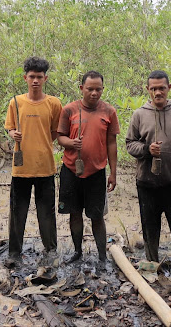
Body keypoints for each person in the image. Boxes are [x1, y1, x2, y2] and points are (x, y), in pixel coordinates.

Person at [126, 70, 171, 277]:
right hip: (147, 184)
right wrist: (147, 150)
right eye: (153, 89)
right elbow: (130, 145)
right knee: (150, 230)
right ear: (147, 90)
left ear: (169, 88)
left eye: (162, 88)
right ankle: (152, 268)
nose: (158, 92)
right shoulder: (139, 114)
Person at [4, 57, 62, 267]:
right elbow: (9, 127)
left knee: (46, 212)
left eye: (39, 77)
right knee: (17, 212)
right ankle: (14, 253)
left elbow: (56, 132)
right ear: (25, 78)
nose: (35, 80)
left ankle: (51, 250)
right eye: (32, 77)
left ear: (45, 78)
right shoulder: (16, 102)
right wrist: (13, 134)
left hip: (45, 166)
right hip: (21, 168)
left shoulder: (53, 103)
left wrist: (42, 143)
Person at [57, 71, 119, 265]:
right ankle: (77, 252)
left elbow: (111, 143)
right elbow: (60, 137)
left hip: (96, 172)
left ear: (102, 89)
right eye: (90, 89)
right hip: (71, 171)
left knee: (97, 215)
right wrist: (71, 143)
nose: (94, 93)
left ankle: (102, 256)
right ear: (81, 88)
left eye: (98, 89)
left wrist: (113, 173)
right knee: (74, 213)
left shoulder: (109, 111)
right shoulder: (69, 110)